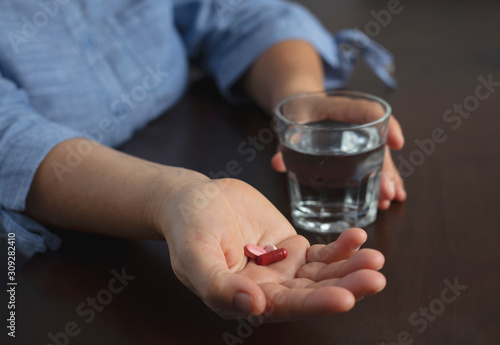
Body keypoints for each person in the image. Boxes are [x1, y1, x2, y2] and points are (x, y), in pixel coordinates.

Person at [0, 0, 406, 320]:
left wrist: (300, 101)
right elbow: (10, 139)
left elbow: (237, 12)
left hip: (188, 132)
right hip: (51, 250)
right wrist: (171, 196)